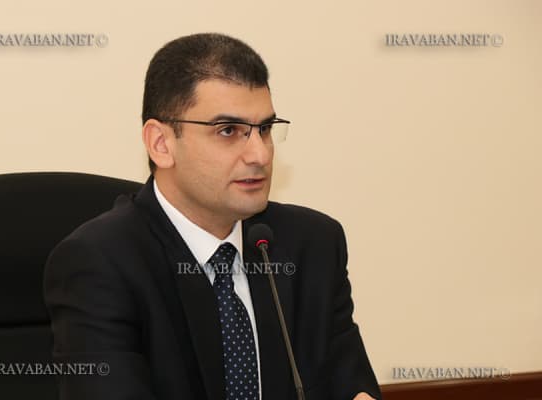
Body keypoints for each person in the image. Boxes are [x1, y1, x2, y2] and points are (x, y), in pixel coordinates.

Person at [44, 32, 380, 400]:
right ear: (161, 144)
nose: (260, 155)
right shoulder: (101, 264)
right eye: (228, 131)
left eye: (265, 129)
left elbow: (351, 386)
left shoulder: (312, 245)